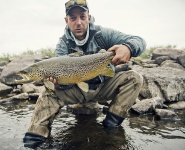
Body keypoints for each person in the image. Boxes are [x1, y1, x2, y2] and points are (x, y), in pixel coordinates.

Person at [23, 0, 146, 148]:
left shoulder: (104, 34)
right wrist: (56, 83)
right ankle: (35, 138)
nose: (79, 22)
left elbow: (139, 40)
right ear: (66, 21)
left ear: (89, 17)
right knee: (48, 93)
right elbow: (62, 87)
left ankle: (111, 127)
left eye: (82, 16)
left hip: (102, 86)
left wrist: (129, 47)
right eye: (73, 18)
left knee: (134, 78)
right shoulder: (62, 45)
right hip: (77, 90)